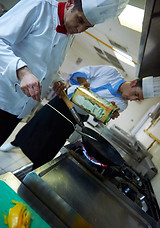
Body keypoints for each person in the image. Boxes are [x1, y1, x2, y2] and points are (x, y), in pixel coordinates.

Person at [0, 0, 129, 147]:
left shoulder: (69, 34)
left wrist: (57, 79)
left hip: (18, 111)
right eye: (80, 20)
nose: (80, 29)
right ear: (69, 3)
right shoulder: (39, 6)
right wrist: (22, 72)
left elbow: (48, 65)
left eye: (87, 27)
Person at [1, 64, 158, 169]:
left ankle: (38, 165)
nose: (131, 99)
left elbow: (97, 118)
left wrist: (107, 115)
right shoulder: (111, 72)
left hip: (77, 116)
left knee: (54, 140)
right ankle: (16, 143)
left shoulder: (122, 105)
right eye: (135, 94)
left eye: (136, 99)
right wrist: (83, 83)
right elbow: (84, 72)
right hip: (64, 101)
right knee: (38, 123)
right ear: (133, 83)